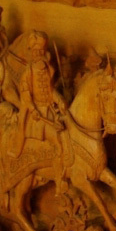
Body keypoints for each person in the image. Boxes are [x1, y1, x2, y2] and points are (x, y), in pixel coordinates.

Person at [14, 31, 72, 190]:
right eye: (36, 51)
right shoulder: (28, 71)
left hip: (50, 110)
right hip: (36, 116)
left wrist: (59, 99)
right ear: (31, 52)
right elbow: (25, 94)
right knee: (58, 141)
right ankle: (60, 181)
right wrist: (33, 109)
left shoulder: (47, 70)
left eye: (41, 51)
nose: (39, 54)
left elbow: (50, 90)